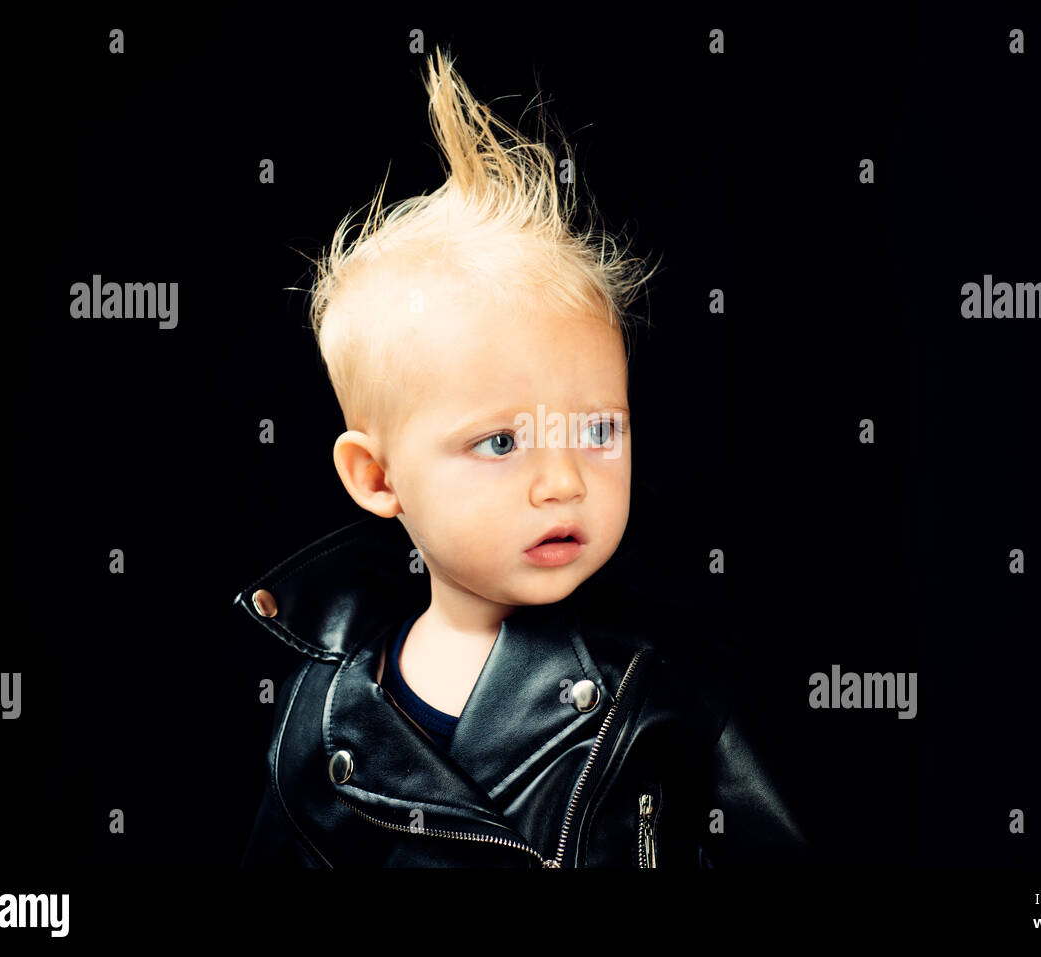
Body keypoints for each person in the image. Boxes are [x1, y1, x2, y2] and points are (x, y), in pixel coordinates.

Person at [235, 45, 808, 867]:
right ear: (378, 476)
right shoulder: (326, 716)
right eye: (501, 442)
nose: (565, 480)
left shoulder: (667, 685)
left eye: (598, 430)